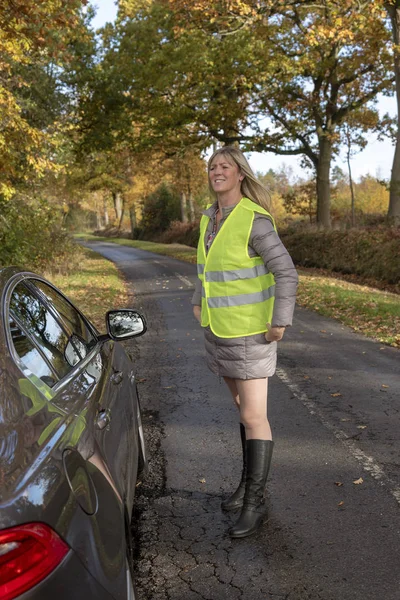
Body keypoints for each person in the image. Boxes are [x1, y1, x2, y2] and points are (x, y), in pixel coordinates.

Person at [192, 146, 298, 538]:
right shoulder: (210, 219)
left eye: (224, 166)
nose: (216, 171)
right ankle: (245, 486)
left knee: (254, 416)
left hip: (252, 334)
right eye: (212, 166)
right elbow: (205, 268)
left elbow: (286, 273)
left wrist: (279, 323)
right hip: (218, 330)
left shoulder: (254, 221)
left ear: (240, 175)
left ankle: (256, 503)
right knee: (241, 409)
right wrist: (195, 300)